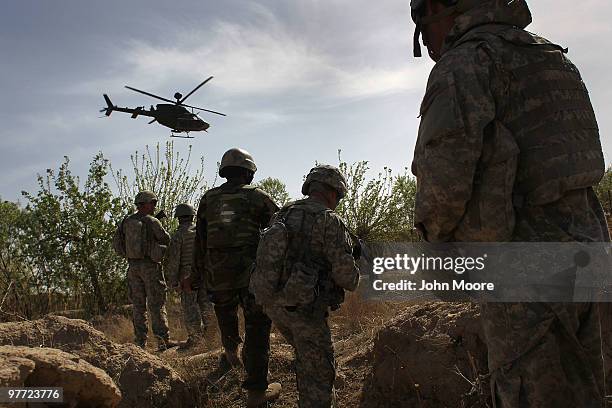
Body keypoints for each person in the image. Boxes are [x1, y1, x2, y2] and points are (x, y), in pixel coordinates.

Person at [410, 0, 609, 406]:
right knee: (585, 389)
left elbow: (443, 189)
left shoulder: (465, 65)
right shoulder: (555, 60)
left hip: (527, 280)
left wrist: (436, 248)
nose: (426, 39)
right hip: (590, 257)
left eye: (422, 22)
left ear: (442, 8)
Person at [252, 165, 360, 408]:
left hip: (275, 306)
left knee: (306, 356)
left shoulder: (283, 213)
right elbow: (348, 279)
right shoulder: (329, 219)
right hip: (305, 310)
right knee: (320, 374)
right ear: (333, 192)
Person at [192, 148, 281, 407]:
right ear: (248, 172)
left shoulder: (208, 198)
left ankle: (231, 355)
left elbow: (201, 240)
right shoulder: (257, 197)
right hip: (250, 276)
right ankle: (256, 393)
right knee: (257, 327)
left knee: (226, 316)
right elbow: (279, 230)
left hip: (217, 275)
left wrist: (195, 274)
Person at [112, 191, 177, 350]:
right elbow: (166, 239)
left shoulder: (126, 221)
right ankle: (163, 341)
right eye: (153, 203)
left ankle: (140, 343)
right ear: (145, 204)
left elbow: (116, 244)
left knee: (138, 306)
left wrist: (129, 255)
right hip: (150, 267)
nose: (154, 206)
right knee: (156, 303)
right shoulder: (152, 221)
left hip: (133, 267)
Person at [164, 203, 210, 349]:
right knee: (206, 304)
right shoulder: (202, 231)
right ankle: (212, 335)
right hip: (204, 272)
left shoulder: (178, 235)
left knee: (190, 306)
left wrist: (172, 281)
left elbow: (174, 260)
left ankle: (195, 339)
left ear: (178, 218)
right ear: (192, 216)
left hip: (187, 274)